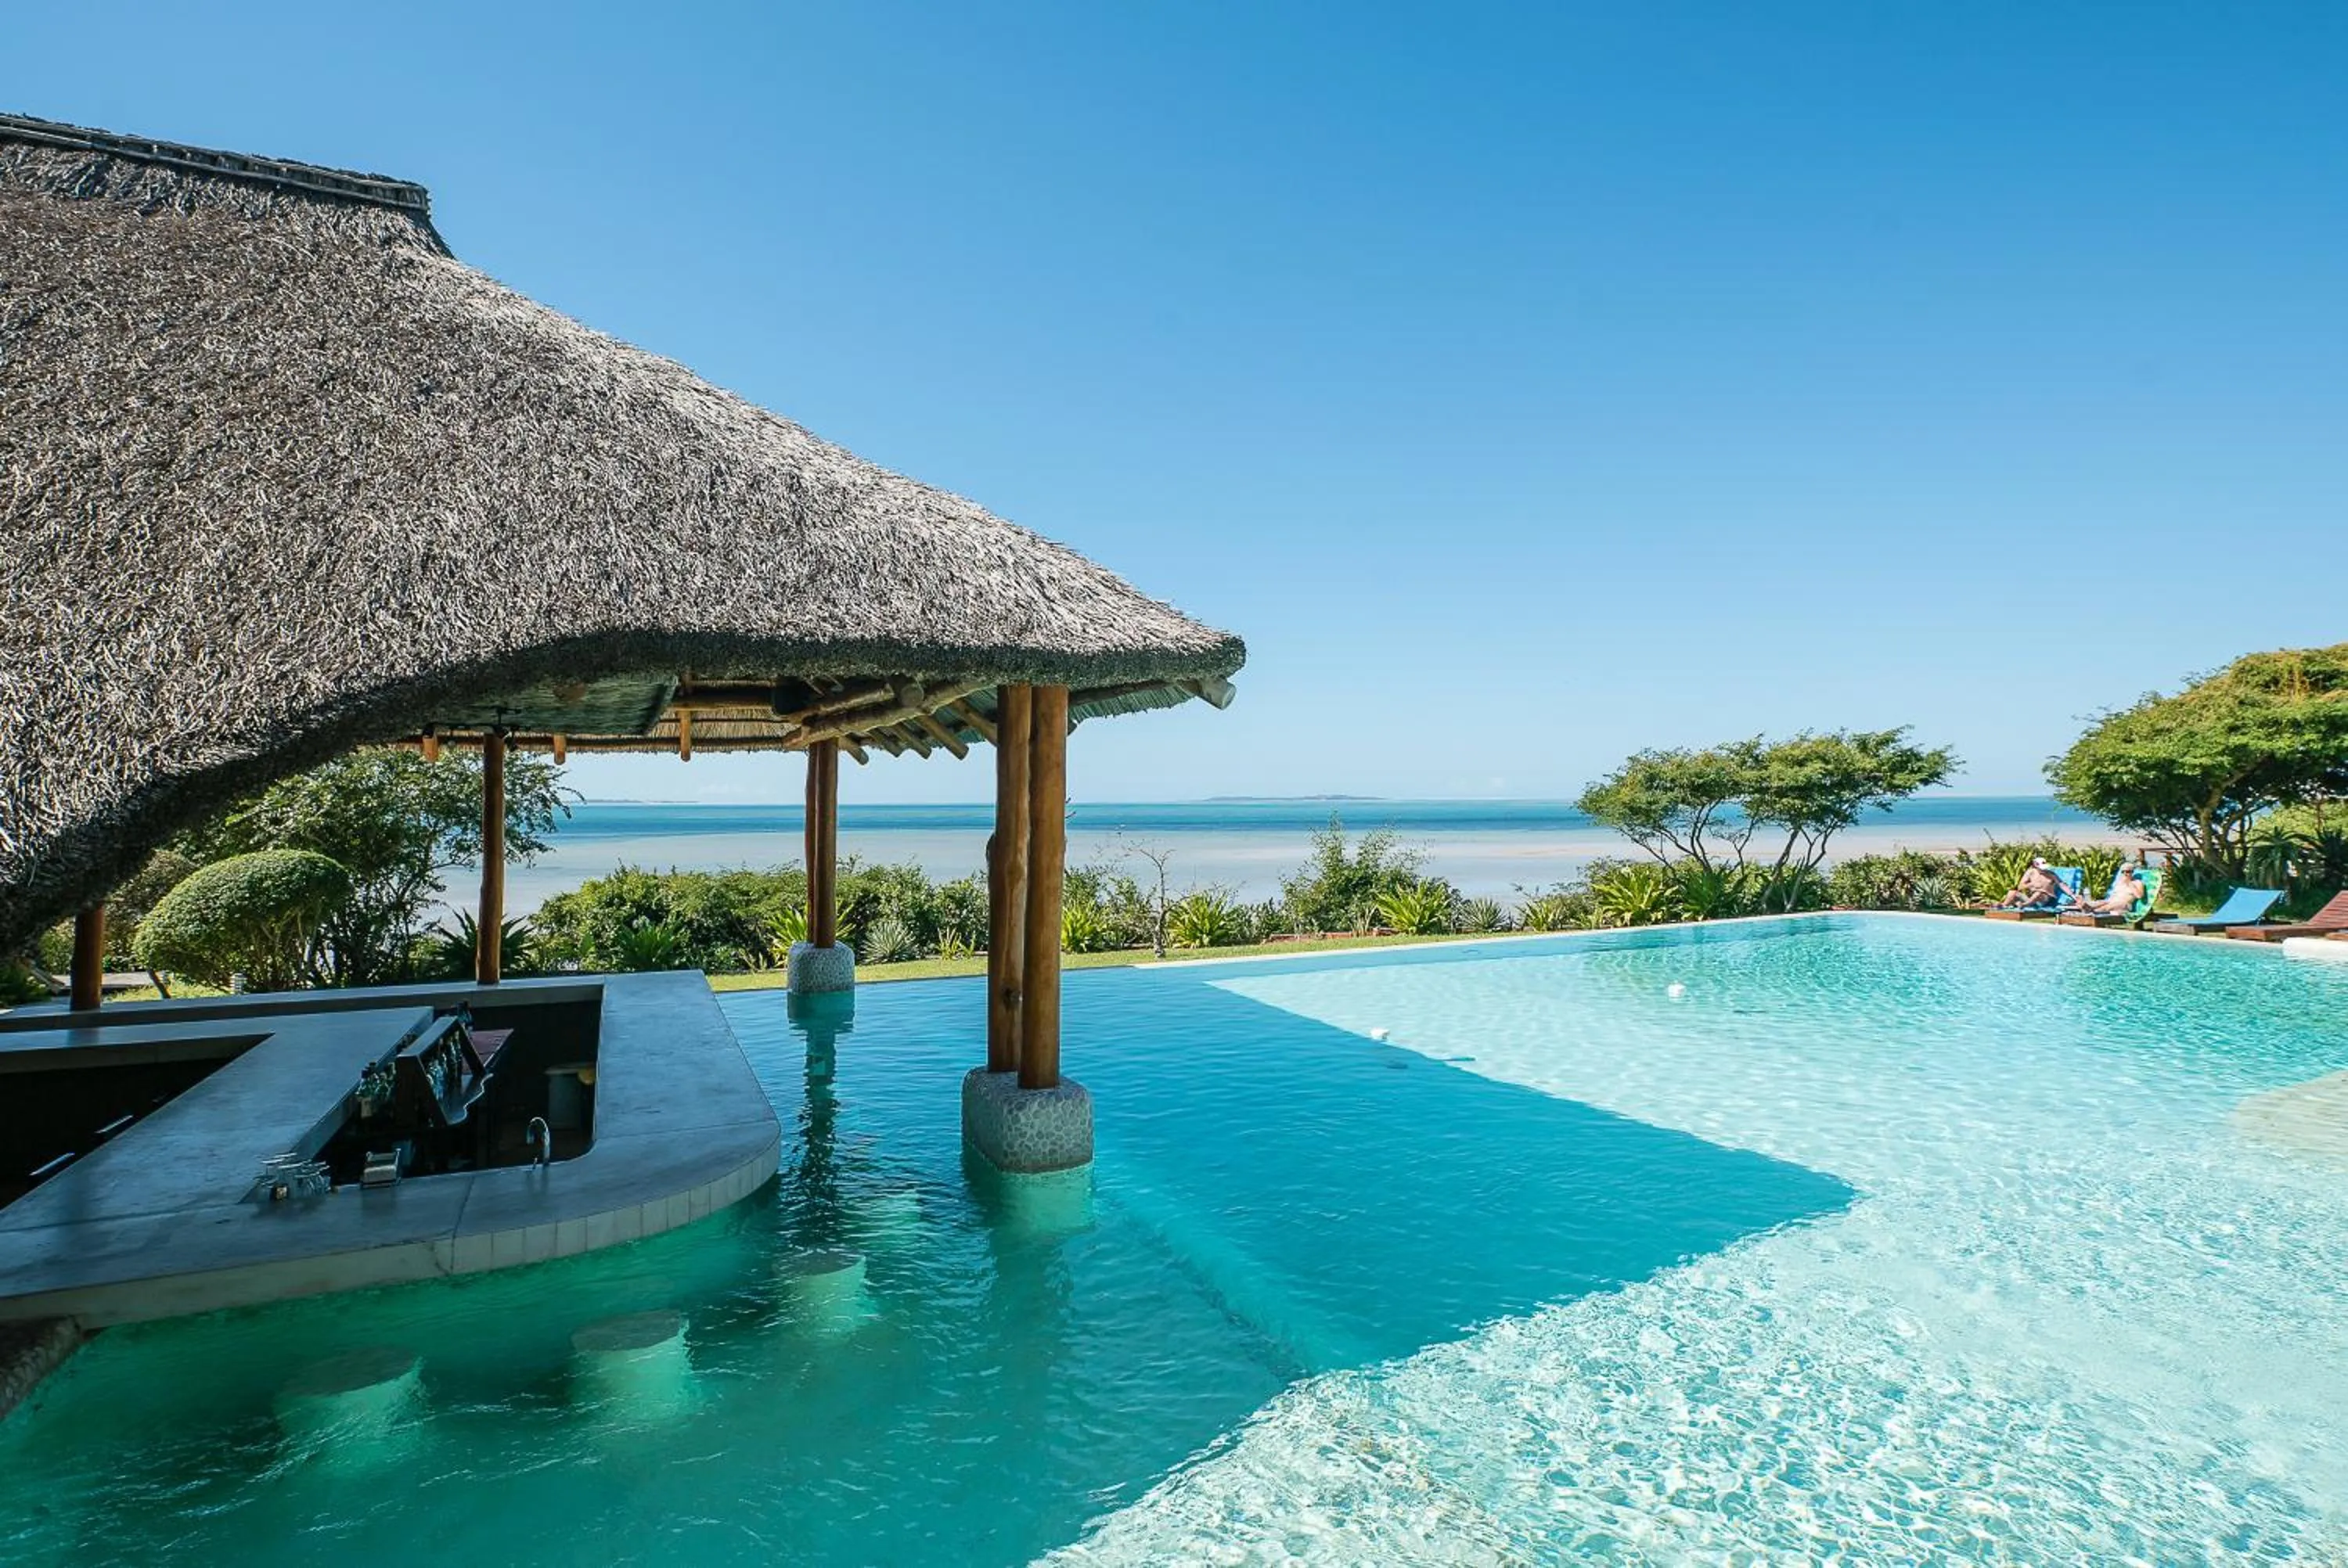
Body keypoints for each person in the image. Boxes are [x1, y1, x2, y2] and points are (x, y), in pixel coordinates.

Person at [2080, 857, 2148, 916]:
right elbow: (2114, 895)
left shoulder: (2137, 883)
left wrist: (2129, 883)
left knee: (2107, 907)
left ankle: (2093, 912)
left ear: (2132, 872)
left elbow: (2139, 896)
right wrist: (2104, 901)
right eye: (2123, 872)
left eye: (2127, 872)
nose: (2125, 874)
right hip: (2113, 901)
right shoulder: (2120, 883)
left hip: (2125, 904)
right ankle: (2087, 907)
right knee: (2100, 903)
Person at [1997, 856, 2065, 909]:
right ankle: (2004, 905)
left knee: (2039, 893)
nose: (2044, 870)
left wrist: (2074, 897)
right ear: (2036, 866)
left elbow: (2062, 885)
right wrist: (2031, 884)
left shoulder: (2052, 875)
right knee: (2012, 892)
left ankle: (2023, 905)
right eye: (2041, 868)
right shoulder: (2031, 872)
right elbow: (2020, 887)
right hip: (2030, 898)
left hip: (2043, 900)